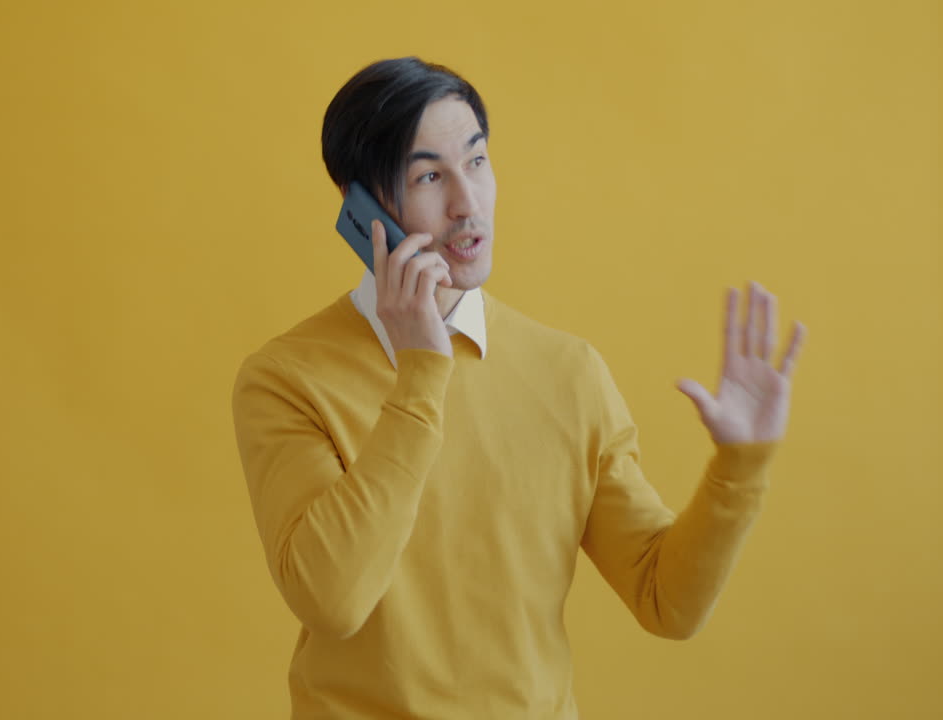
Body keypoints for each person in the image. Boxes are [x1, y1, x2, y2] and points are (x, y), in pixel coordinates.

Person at [231, 57, 806, 719]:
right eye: (428, 176)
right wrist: (422, 372)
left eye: (477, 162)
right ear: (364, 210)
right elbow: (332, 599)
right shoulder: (285, 380)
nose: (466, 202)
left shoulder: (567, 372)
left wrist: (739, 467)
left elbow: (664, 600)